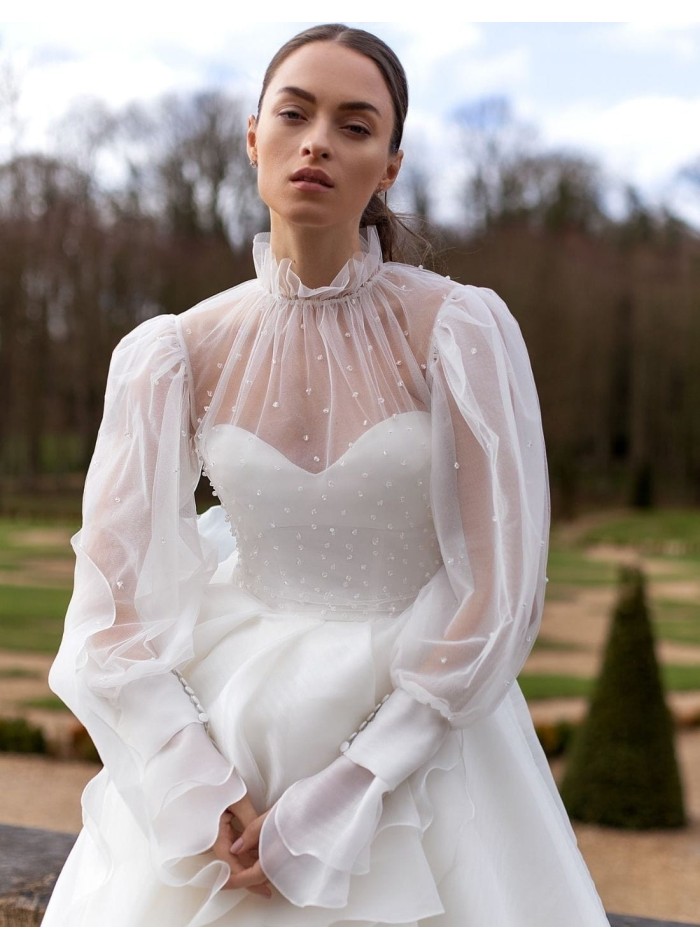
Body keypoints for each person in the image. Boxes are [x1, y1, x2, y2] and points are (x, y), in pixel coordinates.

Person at [43, 23, 609, 926]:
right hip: (232, 728)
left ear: (387, 165)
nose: (318, 140)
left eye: (355, 124)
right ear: (253, 137)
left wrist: (357, 783)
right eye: (295, 112)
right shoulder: (173, 352)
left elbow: (499, 593)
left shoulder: (459, 332)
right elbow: (108, 608)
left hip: (421, 741)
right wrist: (191, 774)